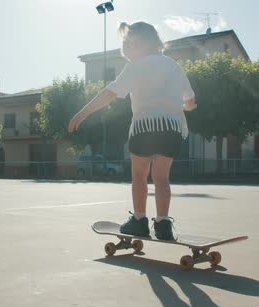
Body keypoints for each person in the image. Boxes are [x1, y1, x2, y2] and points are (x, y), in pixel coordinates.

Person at [69, 21, 196, 240]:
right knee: (162, 177)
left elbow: (109, 93)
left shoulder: (136, 67)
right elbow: (191, 100)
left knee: (139, 174)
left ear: (136, 44)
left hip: (144, 128)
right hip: (172, 128)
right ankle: (163, 224)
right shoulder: (173, 66)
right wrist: (185, 107)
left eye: (126, 47)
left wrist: (83, 113)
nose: (125, 53)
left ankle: (139, 220)